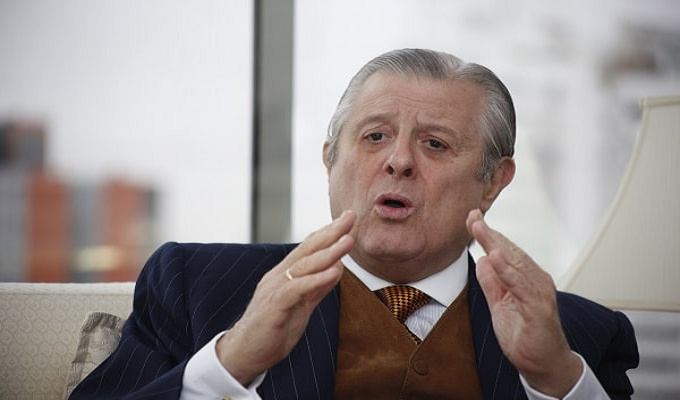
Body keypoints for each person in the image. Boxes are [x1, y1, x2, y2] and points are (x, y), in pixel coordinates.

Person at [70, 48, 638, 400]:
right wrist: (231, 362)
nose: (399, 161)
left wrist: (557, 381)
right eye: (375, 136)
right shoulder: (195, 286)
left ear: (493, 182)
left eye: (435, 144)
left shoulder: (577, 338)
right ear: (330, 161)